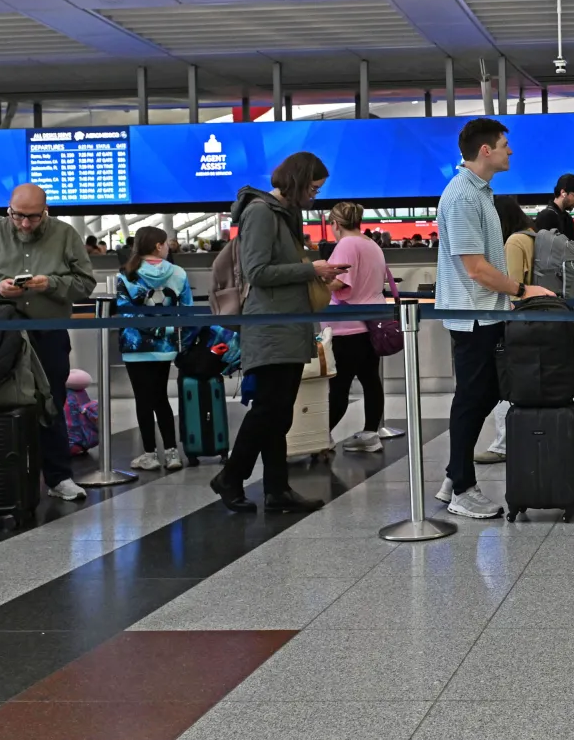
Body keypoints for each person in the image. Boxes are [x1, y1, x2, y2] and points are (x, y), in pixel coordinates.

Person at [434, 119, 555, 519]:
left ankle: (455, 472)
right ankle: (462, 489)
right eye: (505, 145)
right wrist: (523, 291)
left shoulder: (480, 193)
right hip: (473, 316)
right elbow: (475, 268)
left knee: (484, 394)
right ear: (485, 151)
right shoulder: (463, 197)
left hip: (485, 313)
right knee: (472, 398)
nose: (511, 151)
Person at [210, 153, 340, 514]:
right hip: (269, 324)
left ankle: (276, 488)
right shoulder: (260, 213)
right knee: (269, 409)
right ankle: (231, 476)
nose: (315, 195)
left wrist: (315, 271)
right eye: (312, 188)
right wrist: (308, 269)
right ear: (297, 182)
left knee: (280, 412)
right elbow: (258, 271)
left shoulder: (287, 213)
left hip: (290, 322)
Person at [0, 184, 97, 502]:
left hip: (48, 333)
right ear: (9, 209)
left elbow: (86, 282)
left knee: (52, 402)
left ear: (45, 211)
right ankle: (0, 478)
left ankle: (59, 477)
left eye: (33, 217)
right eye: (18, 216)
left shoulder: (64, 235)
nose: (25, 224)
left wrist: (52, 284)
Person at [115, 226, 192, 471]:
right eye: (166, 243)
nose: (168, 247)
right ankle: (172, 454)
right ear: (158, 246)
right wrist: (168, 331)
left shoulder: (126, 274)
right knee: (161, 397)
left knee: (143, 399)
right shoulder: (178, 273)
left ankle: (149, 454)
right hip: (165, 346)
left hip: (134, 345)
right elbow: (187, 309)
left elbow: (124, 311)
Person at [474, 194, 538, 465]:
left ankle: (503, 444)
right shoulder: (533, 235)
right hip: (541, 320)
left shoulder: (513, 242)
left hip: (519, 322)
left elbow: (512, 287)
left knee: (507, 383)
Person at [324, 201, 389, 454]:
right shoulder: (371, 244)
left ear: (335, 223)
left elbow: (339, 284)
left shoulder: (346, 245)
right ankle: (371, 433)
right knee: (370, 380)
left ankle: (320, 437)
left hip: (346, 327)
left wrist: (314, 282)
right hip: (371, 325)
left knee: (339, 387)